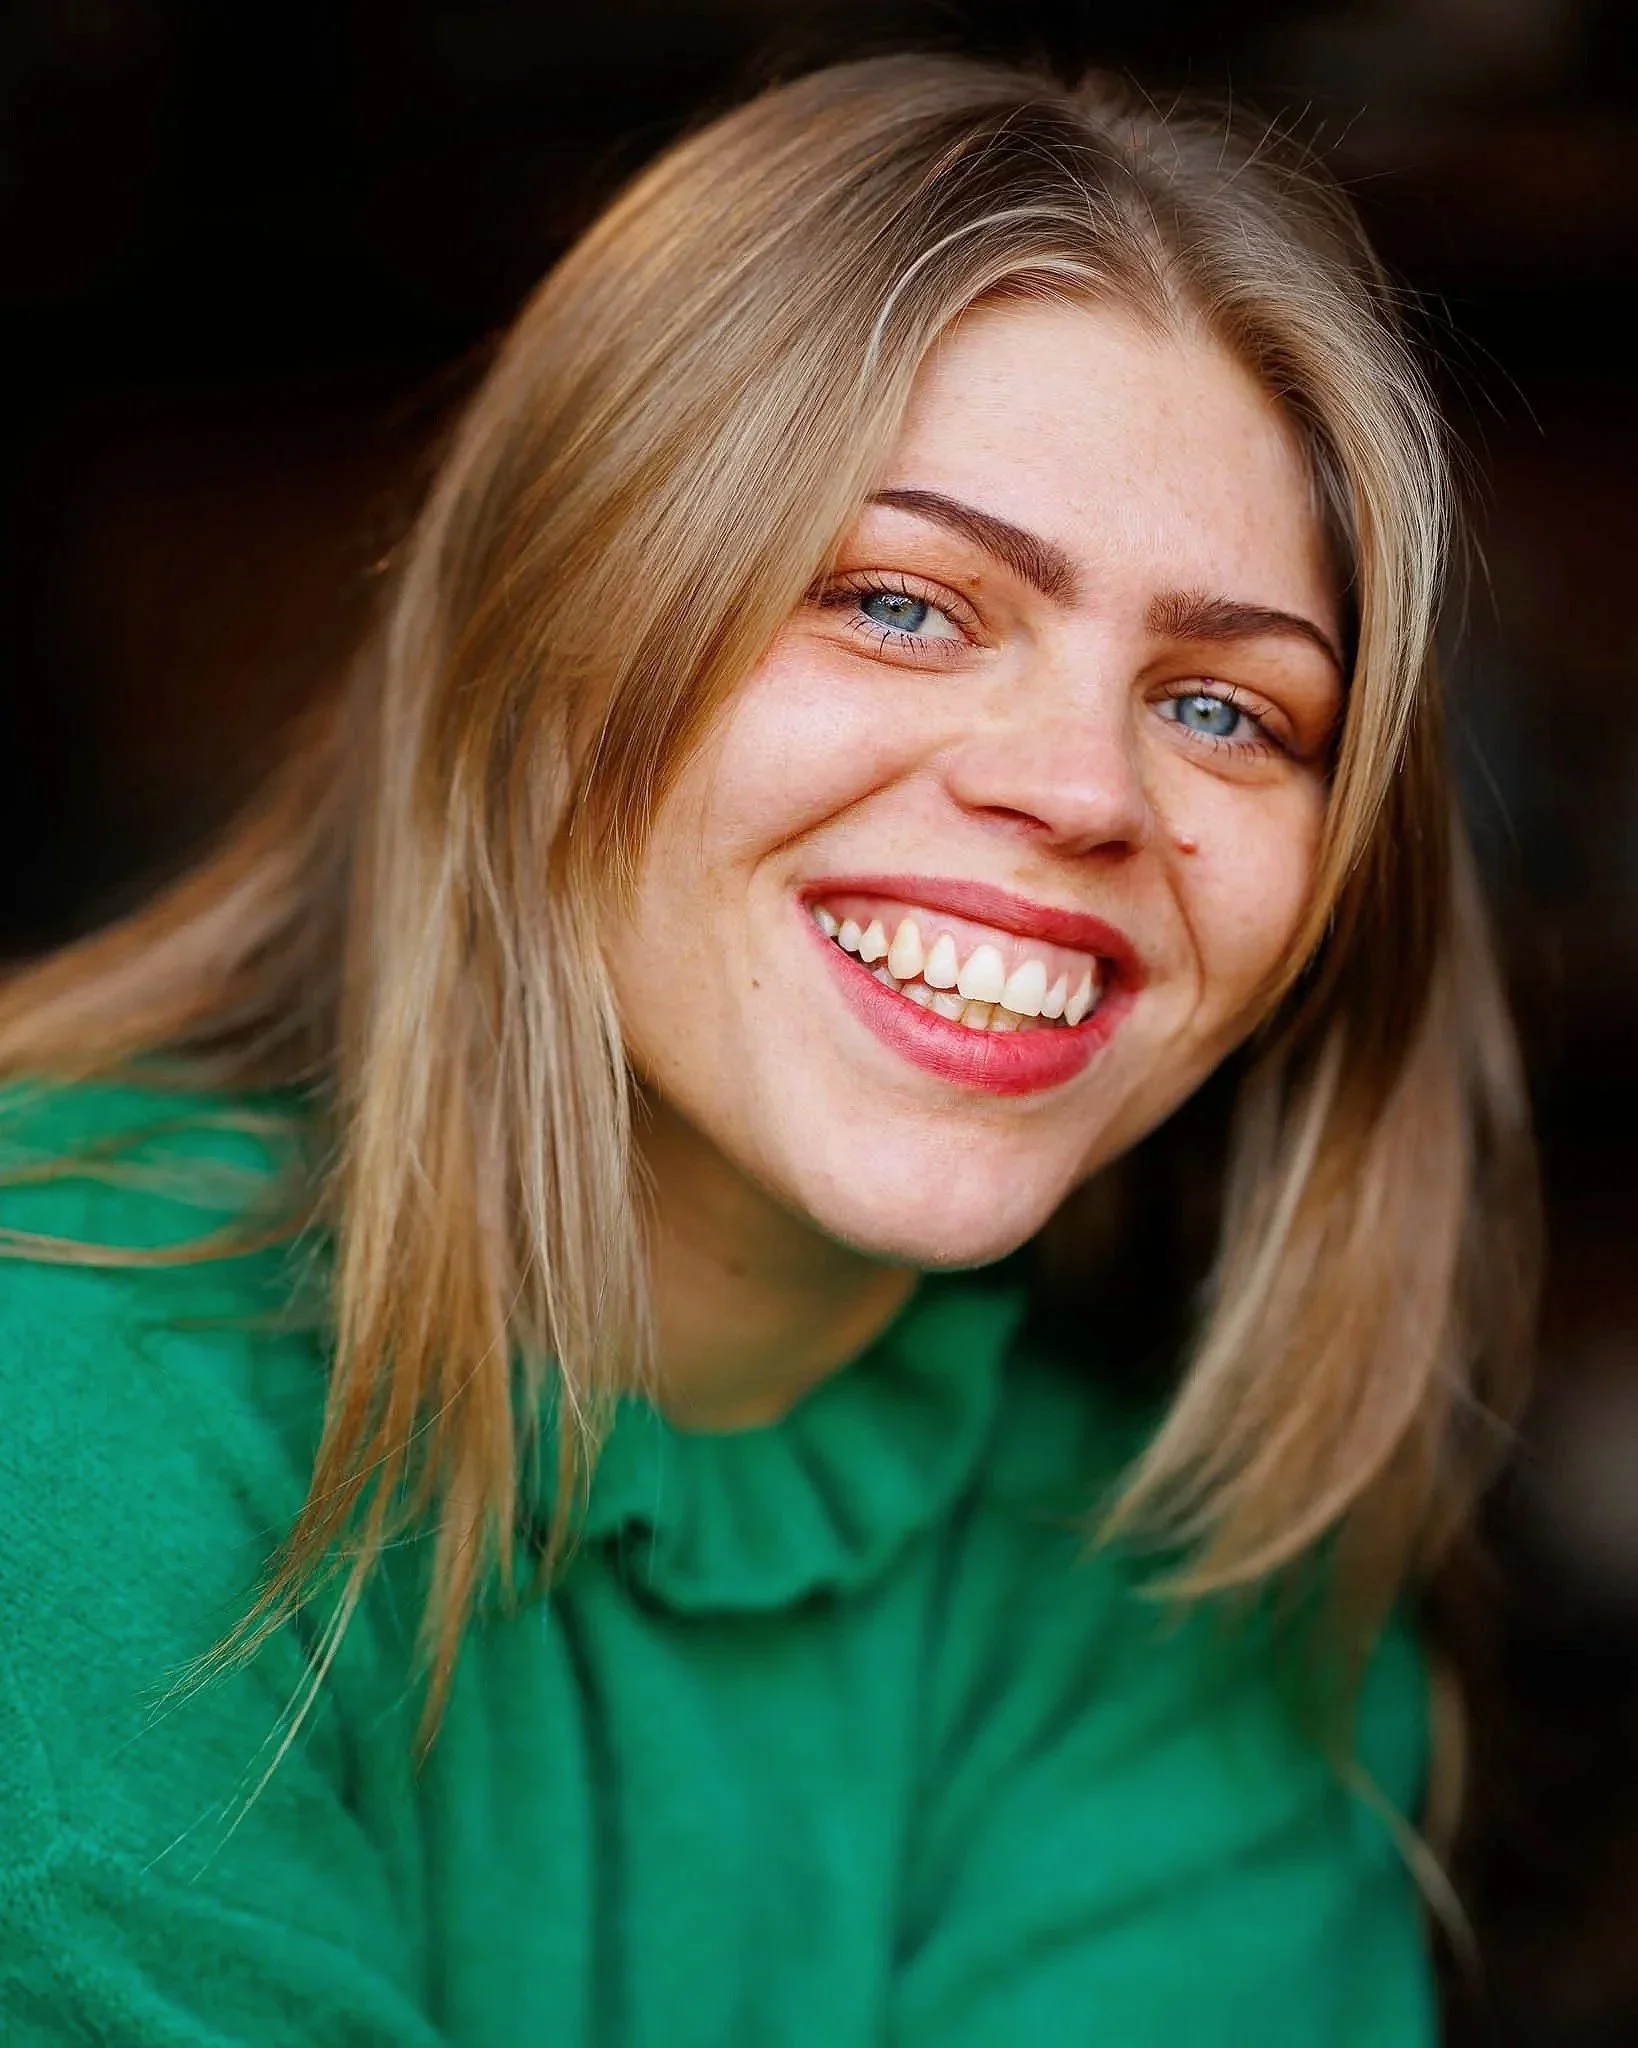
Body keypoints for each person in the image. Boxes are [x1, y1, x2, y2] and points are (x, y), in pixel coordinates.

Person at [0, 51, 1534, 2045]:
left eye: (1232, 710)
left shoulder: (1194, 1607)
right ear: (545, 639)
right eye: (903, 601)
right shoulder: (67, 1386)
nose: (1082, 785)